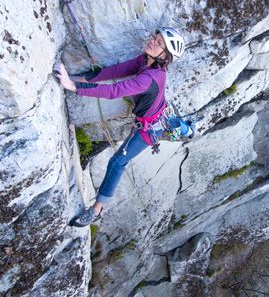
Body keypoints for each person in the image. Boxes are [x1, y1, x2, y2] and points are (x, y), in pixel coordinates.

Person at [54, 27, 186, 227]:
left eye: (159, 43)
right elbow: (117, 71)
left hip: (150, 129)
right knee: (118, 161)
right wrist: (85, 78)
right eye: (155, 38)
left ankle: (96, 211)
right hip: (153, 118)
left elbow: (114, 90)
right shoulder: (146, 61)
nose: (152, 41)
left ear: (165, 56)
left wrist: (74, 87)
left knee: (117, 162)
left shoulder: (148, 79)